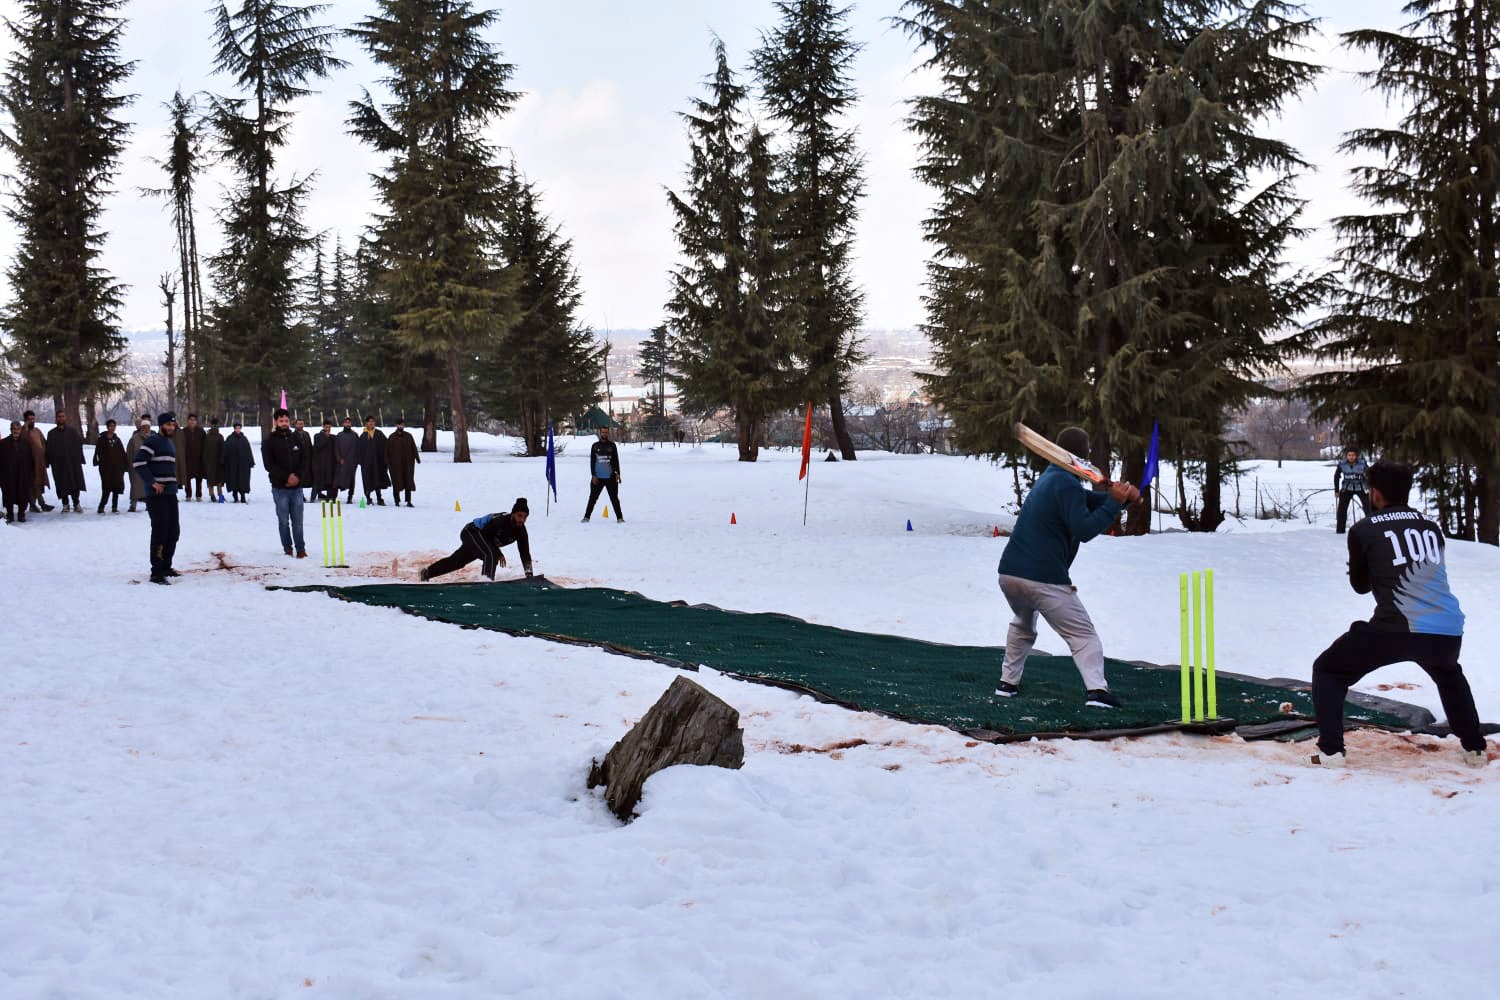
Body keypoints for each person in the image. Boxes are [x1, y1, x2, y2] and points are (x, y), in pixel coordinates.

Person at [1308, 461, 1488, 768]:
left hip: (1396, 627)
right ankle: (1475, 750)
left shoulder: (1364, 528)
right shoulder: (1431, 528)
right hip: (1446, 628)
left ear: (1375, 494)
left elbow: (1361, 586)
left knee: (1329, 670)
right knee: (1449, 675)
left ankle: (1331, 752)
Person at [993, 426, 1139, 708]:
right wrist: (1114, 504)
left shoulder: (1051, 478)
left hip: (1010, 574)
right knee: (1083, 635)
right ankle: (1097, 692)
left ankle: (1007, 683)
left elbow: (1088, 501)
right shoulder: (1067, 484)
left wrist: (1120, 500)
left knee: (1023, 625)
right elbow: (1084, 529)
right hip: (1042, 577)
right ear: (1083, 456)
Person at [420, 498, 534, 581]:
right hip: (472, 532)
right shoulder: (500, 521)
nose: (522, 519)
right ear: (513, 514)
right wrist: (498, 553)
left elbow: (525, 554)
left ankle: (427, 573)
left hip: (482, 541)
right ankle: (486, 583)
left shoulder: (521, 531)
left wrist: (529, 576)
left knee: (457, 561)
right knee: (490, 555)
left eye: (525, 517)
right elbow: (486, 536)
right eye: (519, 515)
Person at [134, 411, 182, 584]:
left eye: (173, 425)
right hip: (156, 496)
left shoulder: (169, 443)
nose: (171, 427)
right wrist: (152, 483)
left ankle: (166, 566)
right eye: (168, 425)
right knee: (160, 531)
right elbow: (138, 463)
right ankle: (156, 572)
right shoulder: (153, 441)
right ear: (161, 426)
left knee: (173, 531)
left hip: (170, 493)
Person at [263, 408, 310, 557]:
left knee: (298, 521)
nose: (284, 423)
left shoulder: (296, 439)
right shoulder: (269, 441)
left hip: (296, 489)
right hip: (280, 488)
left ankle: (301, 549)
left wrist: (297, 477)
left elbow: (304, 459)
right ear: (276, 422)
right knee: (284, 521)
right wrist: (286, 477)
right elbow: (269, 465)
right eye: (281, 421)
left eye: (286, 421)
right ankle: (287, 548)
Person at [45, 410, 87, 512]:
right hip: (59, 465)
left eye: (63, 416)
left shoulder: (72, 432)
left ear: (65, 418)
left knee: (75, 483)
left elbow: (78, 446)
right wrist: (48, 462)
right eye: (59, 416)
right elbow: (49, 449)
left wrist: (80, 459)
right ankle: (65, 504)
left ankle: (76, 503)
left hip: (72, 463)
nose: (61, 418)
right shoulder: (51, 434)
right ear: (56, 418)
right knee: (61, 484)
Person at [581, 424, 624, 523]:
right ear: (600, 433)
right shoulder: (595, 446)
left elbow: (616, 461)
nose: (604, 434)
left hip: (610, 477)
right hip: (598, 478)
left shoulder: (612, 445)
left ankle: (620, 518)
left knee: (614, 499)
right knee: (592, 498)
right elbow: (592, 462)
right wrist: (593, 475)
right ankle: (586, 517)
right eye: (603, 432)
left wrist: (618, 473)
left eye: (606, 432)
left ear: (608, 433)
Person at [93, 418, 128, 513]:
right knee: (106, 488)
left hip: (117, 468)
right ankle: (101, 507)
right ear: (107, 427)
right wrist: (98, 462)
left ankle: (114, 507)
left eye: (114, 426)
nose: (112, 428)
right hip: (106, 468)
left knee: (116, 487)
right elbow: (97, 452)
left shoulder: (117, 440)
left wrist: (125, 465)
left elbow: (122, 453)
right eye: (110, 426)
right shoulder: (102, 439)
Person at [2, 420, 33, 523]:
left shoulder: (26, 443)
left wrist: (30, 474)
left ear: (21, 430)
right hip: (8, 474)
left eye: (18, 429)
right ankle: (10, 515)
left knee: (22, 494)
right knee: (8, 494)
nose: (16, 431)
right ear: (11, 430)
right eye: (14, 429)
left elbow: (31, 460)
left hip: (22, 474)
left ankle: (21, 514)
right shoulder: (3, 443)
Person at [21, 410, 52, 512]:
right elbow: (22, 442)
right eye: (29, 419)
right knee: (32, 484)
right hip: (29, 463)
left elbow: (44, 443)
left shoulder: (37, 430)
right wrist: (25, 428)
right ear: (25, 420)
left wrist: (46, 457)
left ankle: (35, 504)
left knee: (37, 483)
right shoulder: (22, 431)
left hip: (39, 462)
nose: (32, 421)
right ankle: (38, 504)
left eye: (33, 419)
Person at [356, 415, 390, 505]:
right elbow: (359, 450)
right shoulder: (363, 436)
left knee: (377, 479)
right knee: (367, 480)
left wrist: (385, 459)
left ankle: (379, 498)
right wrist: (361, 461)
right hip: (366, 463)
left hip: (377, 462)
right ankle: (368, 497)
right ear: (366, 423)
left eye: (373, 421)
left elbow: (386, 446)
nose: (371, 423)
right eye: (369, 421)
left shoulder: (379, 434)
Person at [386, 417, 420, 507]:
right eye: (399, 424)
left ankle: (408, 501)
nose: (401, 426)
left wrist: (417, 458)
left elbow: (413, 448)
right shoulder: (392, 437)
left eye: (402, 424)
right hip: (395, 464)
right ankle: (397, 500)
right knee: (396, 481)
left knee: (408, 480)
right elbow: (387, 451)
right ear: (396, 425)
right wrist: (388, 462)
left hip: (408, 463)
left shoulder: (408, 436)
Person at [1334, 447, 1369, 534]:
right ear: (1346, 456)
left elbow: (1370, 474)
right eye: (1349, 455)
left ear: (1356, 456)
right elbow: (1336, 476)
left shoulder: (1362, 463)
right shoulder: (1342, 464)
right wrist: (1337, 490)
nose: (1351, 457)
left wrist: (1369, 487)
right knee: (1342, 509)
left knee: (1369, 508)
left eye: (1353, 455)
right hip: (1347, 488)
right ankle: (1340, 530)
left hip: (1361, 487)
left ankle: (1372, 528)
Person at [221, 422, 256, 503]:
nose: (238, 429)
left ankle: (243, 496)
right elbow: (225, 450)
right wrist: (223, 460)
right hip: (232, 464)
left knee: (242, 480)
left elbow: (248, 451)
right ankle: (235, 496)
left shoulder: (244, 439)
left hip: (242, 464)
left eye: (239, 428)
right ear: (234, 429)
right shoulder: (229, 439)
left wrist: (251, 462)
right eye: (236, 428)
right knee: (233, 480)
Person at [126, 415, 151, 512]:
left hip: (148, 467)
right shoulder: (134, 439)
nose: (146, 429)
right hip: (136, 467)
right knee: (135, 487)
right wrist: (130, 465)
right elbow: (129, 453)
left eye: (148, 427)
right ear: (141, 428)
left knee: (149, 486)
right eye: (144, 427)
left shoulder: (153, 438)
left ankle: (149, 504)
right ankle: (133, 505)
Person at [310, 418, 337, 501]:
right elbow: (317, 447)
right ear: (323, 427)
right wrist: (325, 438)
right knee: (317, 481)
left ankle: (329, 497)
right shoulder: (317, 436)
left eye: (329, 427)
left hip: (329, 463)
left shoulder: (333, 437)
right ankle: (313, 497)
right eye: (326, 427)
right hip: (319, 463)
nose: (328, 429)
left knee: (329, 480)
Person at [334, 417, 359, 502]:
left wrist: (356, 461)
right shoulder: (339, 435)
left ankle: (350, 497)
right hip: (341, 461)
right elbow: (336, 448)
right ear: (343, 424)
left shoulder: (355, 435)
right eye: (346, 423)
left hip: (352, 462)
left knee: (351, 480)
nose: (347, 424)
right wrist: (339, 458)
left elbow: (358, 449)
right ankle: (334, 496)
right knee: (338, 479)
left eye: (349, 422)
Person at [203, 418, 225, 502]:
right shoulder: (211, 436)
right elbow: (204, 450)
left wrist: (222, 460)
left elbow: (223, 449)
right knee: (215, 480)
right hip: (213, 462)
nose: (215, 426)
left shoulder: (216, 436)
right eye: (214, 425)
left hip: (215, 462)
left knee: (215, 480)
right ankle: (216, 496)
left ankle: (217, 496)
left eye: (215, 425)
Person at [292, 417, 314, 499]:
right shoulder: (293, 435)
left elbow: (310, 445)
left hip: (307, 459)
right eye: (299, 424)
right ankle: (300, 495)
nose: (300, 425)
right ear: (295, 425)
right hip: (298, 461)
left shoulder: (306, 434)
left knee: (307, 477)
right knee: (299, 478)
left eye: (302, 424)